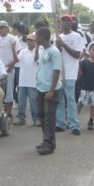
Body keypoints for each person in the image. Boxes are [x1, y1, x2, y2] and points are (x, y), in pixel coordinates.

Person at [55, 14, 83, 136]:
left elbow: (77, 54)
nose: (65, 23)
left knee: (70, 99)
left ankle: (74, 125)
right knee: (59, 99)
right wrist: (58, 47)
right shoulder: (58, 37)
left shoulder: (77, 36)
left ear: (71, 23)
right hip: (60, 73)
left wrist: (64, 45)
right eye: (63, 21)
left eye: (67, 21)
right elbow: (56, 54)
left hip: (70, 73)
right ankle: (60, 123)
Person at [35, 27, 62, 155]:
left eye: (37, 36)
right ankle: (46, 140)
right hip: (40, 88)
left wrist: (51, 91)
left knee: (49, 117)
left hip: (51, 90)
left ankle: (49, 144)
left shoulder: (54, 51)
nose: (35, 38)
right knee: (41, 114)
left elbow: (56, 71)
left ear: (42, 37)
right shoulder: (43, 51)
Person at [0, 20, 21, 119]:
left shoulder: (12, 38)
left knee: (8, 91)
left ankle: (9, 112)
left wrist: (12, 65)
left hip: (8, 69)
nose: (0, 30)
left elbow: (18, 55)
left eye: (2, 28)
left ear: (7, 28)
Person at [13, 33, 40, 126]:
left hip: (33, 80)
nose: (29, 42)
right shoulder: (23, 51)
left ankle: (36, 119)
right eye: (28, 40)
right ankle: (21, 118)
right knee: (21, 99)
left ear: (35, 41)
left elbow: (36, 60)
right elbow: (16, 60)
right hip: (23, 79)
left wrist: (36, 49)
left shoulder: (40, 50)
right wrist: (13, 49)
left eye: (31, 40)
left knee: (33, 100)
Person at [77, 42, 94, 130]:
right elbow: (81, 73)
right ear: (89, 51)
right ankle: (74, 120)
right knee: (80, 103)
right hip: (85, 87)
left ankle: (91, 120)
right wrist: (78, 68)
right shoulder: (84, 62)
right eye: (93, 50)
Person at [12, 21, 29, 106]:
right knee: (12, 84)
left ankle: (21, 101)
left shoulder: (26, 39)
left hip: (21, 65)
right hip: (14, 65)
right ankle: (16, 99)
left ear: (15, 29)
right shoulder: (13, 38)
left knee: (19, 85)